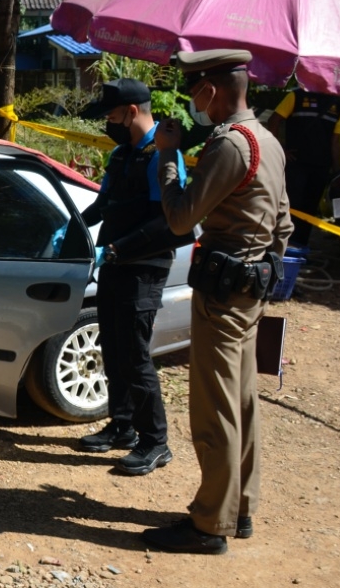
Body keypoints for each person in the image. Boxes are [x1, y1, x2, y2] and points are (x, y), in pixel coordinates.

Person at [144, 50, 293, 555]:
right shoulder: (268, 140)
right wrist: (263, 271)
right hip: (249, 291)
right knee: (242, 402)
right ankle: (238, 508)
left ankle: (210, 525)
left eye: (193, 92)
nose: (191, 103)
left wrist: (167, 154)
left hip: (223, 296)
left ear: (210, 91)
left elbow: (182, 218)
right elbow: (285, 224)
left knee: (216, 411)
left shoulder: (230, 145)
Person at [76, 78, 185, 476]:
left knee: (136, 358)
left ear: (132, 112)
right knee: (115, 350)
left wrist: (118, 249)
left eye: (111, 115)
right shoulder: (122, 155)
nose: (108, 122)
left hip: (144, 268)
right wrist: (70, 226)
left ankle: (155, 442)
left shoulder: (163, 156)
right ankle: (121, 426)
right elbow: (105, 203)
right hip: (115, 265)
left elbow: (168, 223)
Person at [266, 90, 340, 247]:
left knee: (310, 208)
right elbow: (274, 120)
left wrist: (337, 172)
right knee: (290, 205)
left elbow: (335, 141)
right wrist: (280, 150)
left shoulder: (338, 105)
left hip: (321, 166)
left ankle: (300, 247)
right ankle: (282, 248)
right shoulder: (296, 96)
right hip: (296, 163)